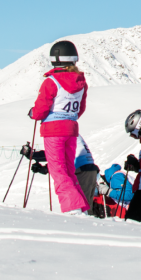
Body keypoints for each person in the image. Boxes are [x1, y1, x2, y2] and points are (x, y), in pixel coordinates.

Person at [27, 40, 89, 215]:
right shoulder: (81, 83)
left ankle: (72, 208)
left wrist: (33, 113)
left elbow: (40, 110)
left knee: (58, 170)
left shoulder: (51, 82)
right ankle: (81, 207)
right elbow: (80, 109)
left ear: (55, 59)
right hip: (71, 128)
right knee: (69, 170)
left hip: (54, 130)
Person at [25, 133, 99, 211]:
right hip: (88, 168)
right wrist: (43, 169)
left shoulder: (62, 131)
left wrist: (32, 155)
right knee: (85, 206)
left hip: (81, 169)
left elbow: (54, 154)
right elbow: (59, 160)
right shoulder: (69, 130)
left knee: (80, 206)